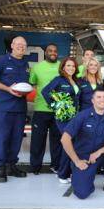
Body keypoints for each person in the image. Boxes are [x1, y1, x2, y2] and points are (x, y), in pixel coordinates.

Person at [0, 36, 29, 183]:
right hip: (3, 107)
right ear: (12, 45)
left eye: (24, 45)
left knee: (16, 139)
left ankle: (11, 166)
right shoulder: (0, 61)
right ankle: (0, 168)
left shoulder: (25, 64)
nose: (21, 47)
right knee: (2, 139)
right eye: (18, 44)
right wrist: (7, 89)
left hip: (20, 108)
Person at [42, 57, 81, 184]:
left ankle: (66, 171)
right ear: (63, 67)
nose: (71, 68)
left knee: (71, 144)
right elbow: (45, 92)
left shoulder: (75, 80)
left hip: (75, 117)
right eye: (68, 66)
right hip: (63, 118)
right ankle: (62, 174)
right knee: (67, 143)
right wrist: (55, 106)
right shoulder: (58, 80)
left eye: (73, 66)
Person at [28, 43, 62, 175]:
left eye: (55, 51)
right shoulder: (37, 68)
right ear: (45, 53)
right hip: (41, 110)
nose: (53, 52)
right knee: (37, 141)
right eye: (50, 51)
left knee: (57, 141)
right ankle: (35, 167)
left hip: (58, 109)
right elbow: (32, 84)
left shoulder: (62, 67)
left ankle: (56, 166)